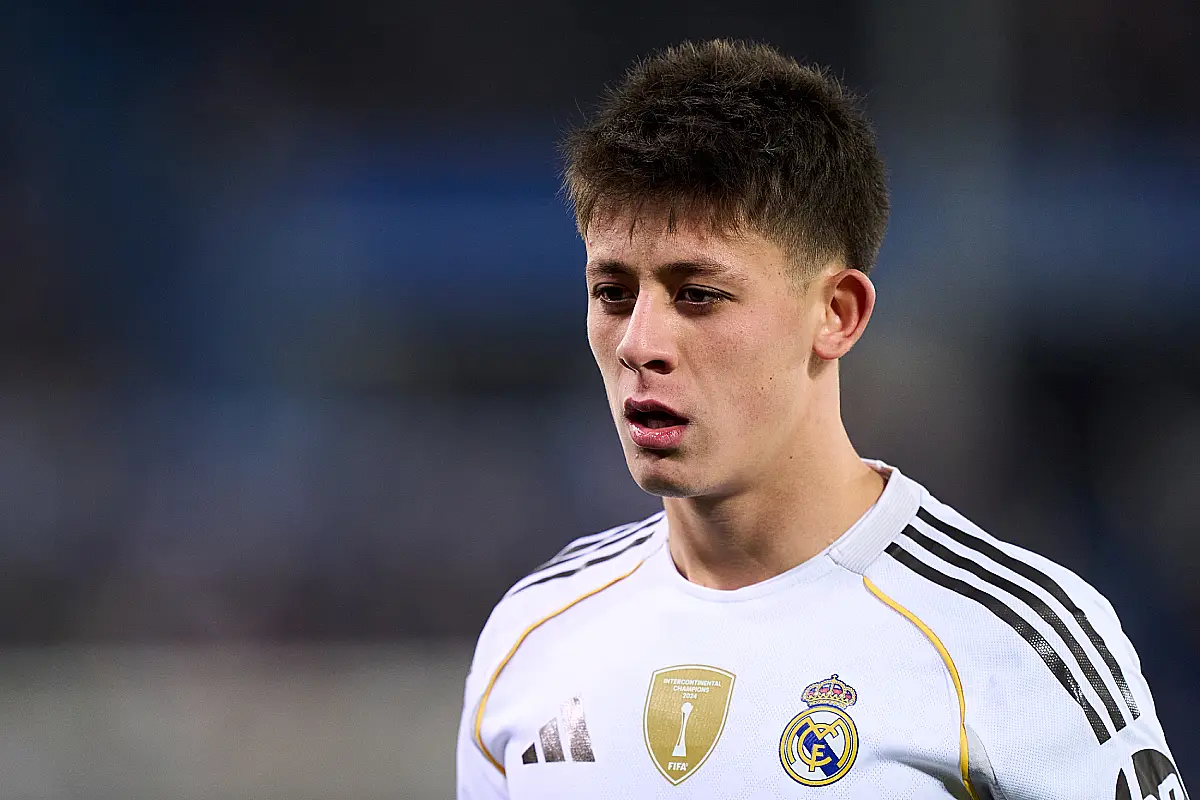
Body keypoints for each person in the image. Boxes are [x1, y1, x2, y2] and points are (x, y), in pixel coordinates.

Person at [455, 39, 1185, 799]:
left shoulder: (1013, 642)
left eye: (698, 294)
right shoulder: (532, 638)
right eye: (612, 293)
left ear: (837, 314)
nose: (640, 343)